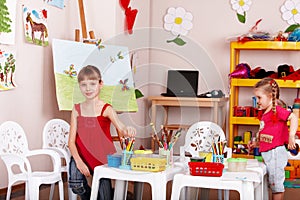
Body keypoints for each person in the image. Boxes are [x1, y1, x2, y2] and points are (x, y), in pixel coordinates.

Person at [68, 65, 136, 200]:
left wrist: (127, 129)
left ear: (100, 84)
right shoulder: (76, 109)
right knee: (76, 185)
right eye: (83, 85)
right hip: (81, 155)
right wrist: (78, 161)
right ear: (79, 86)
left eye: (92, 84)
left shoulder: (107, 109)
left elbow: (121, 127)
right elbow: (71, 141)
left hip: (101, 158)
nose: (88, 88)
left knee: (105, 197)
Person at [248, 77, 298, 200]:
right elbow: (269, 135)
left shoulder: (277, 111)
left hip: (275, 153)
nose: (257, 101)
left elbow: (294, 118)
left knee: (276, 186)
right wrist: (256, 143)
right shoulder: (265, 113)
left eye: (259, 98)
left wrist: (291, 135)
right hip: (268, 153)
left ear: (270, 96)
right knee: (270, 183)